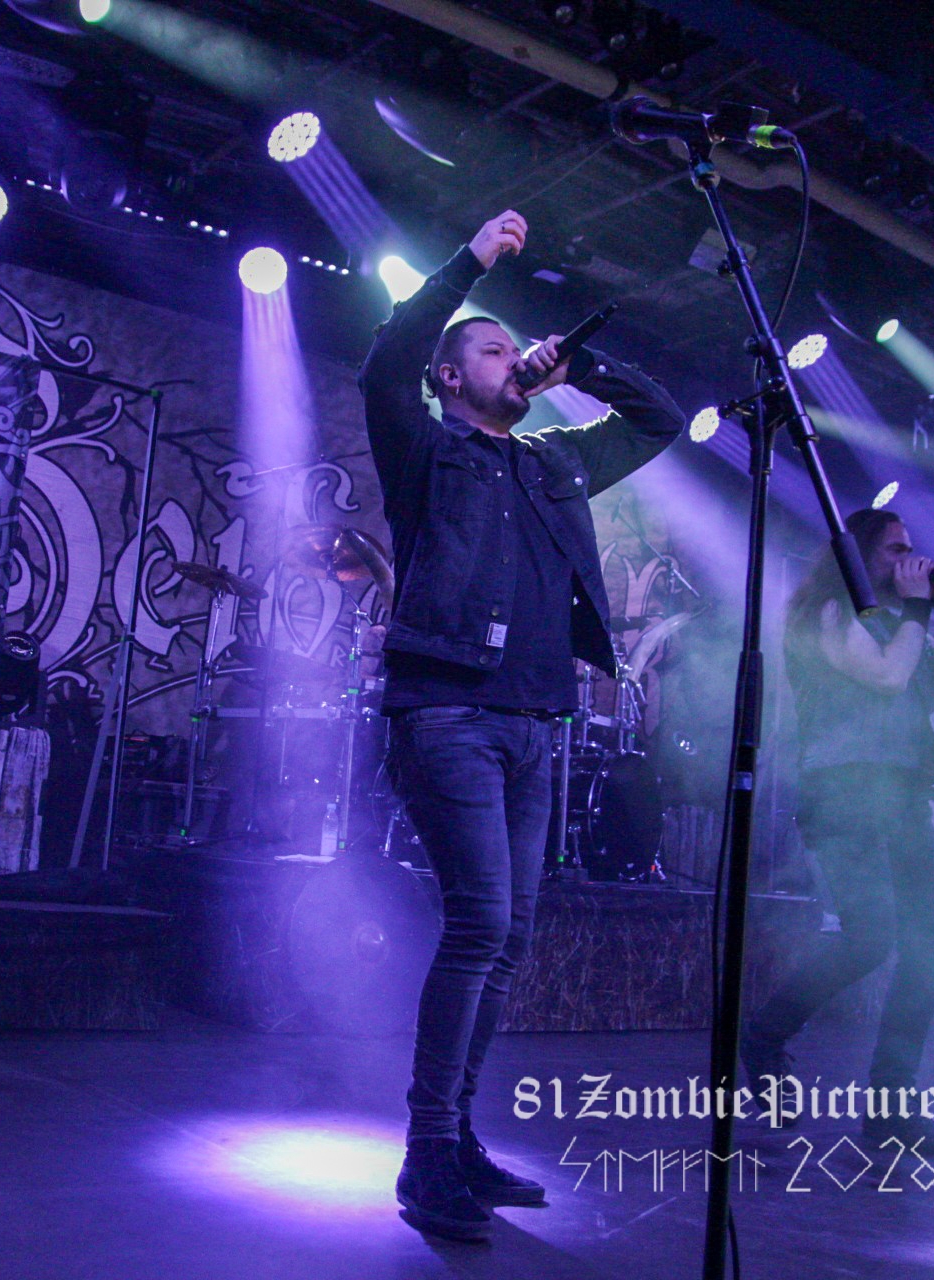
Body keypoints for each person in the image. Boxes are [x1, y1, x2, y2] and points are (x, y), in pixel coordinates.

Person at [358, 209, 685, 1241]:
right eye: (492, 351)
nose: (513, 359)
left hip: (539, 721)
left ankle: (455, 1138)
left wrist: (580, 370)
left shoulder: (553, 461)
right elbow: (388, 360)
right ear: (452, 378)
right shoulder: (424, 446)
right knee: (480, 927)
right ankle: (425, 1155)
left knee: (508, 941)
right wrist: (471, 263)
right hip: (448, 711)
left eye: (516, 349)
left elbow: (662, 420)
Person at [742, 507, 934, 1156]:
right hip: (843, 796)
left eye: (912, 548)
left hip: (904, 797)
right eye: (895, 550)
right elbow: (884, 676)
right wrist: (917, 608)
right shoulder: (830, 614)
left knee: (928, 944)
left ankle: (890, 1106)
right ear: (857, 556)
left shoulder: (903, 625)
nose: (909, 558)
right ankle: (764, 1035)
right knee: (870, 937)